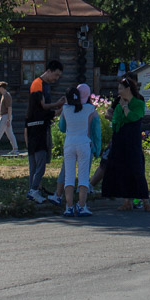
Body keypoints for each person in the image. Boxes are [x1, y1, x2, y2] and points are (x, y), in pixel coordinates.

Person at [101, 76, 150, 211]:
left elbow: (135, 117)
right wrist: (122, 112)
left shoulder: (139, 101)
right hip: (119, 139)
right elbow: (115, 119)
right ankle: (126, 201)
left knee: (137, 169)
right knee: (123, 169)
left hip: (133, 140)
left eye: (121, 88)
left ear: (128, 88)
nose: (119, 90)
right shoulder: (118, 101)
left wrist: (126, 109)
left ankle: (145, 201)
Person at [25, 60, 66, 203]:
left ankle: (33, 189)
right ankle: (33, 190)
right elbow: (41, 107)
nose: (56, 78)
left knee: (35, 163)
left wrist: (55, 108)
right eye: (56, 75)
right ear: (48, 71)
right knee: (39, 162)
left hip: (38, 126)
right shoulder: (38, 84)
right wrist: (58, 108)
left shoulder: (45, 85)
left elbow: (44, 107)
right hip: (37, 127)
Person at [58, 86, 98, 217]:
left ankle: (69, 207)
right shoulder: (89, 108)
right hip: (84, 143)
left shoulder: (65, 109)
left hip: (69, 144)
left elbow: (62, 125)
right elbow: (92, 120)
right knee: (83, 177)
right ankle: (81, 206)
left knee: (69, 176)